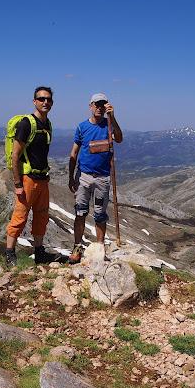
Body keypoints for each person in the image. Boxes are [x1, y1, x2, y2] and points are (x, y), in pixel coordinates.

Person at [5, 86, 61, 266]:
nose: (45, 102)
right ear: (34, 101)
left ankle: (39, 252)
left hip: (43, 178)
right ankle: (9, 254)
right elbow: (15, 155)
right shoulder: (26, 124)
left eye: (48, 99)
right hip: (28, 179)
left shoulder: (48, 124)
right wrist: (17, 183)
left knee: (41, 216)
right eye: (41, 99)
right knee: (20, 216)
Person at [67, 93, 123, 263]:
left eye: (102, 104)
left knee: (100, 215)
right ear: (90, 106)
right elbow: (74, 152)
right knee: (80, 213)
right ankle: (77, 247)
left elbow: (119, 138)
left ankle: (99, 248)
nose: (99, 107)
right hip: (83, 176)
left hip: (102, 178)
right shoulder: (82, 127)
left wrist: (112, 118)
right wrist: (71, 177)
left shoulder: (108, 125)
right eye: (96, 104)